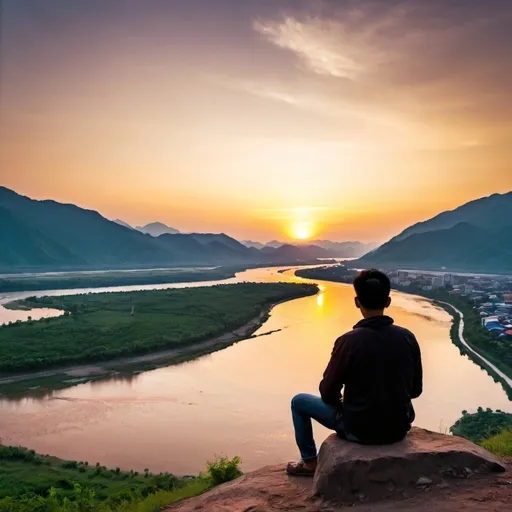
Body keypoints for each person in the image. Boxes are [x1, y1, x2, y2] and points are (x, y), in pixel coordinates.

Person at [286, 269, 423, 476]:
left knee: (299, 402)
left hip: (359, 430)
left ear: (357, 302)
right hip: (397, 429)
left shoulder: (348, 341)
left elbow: (327, 391)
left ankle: (309, 462)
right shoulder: (408, 337)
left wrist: (343, 406)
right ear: (387, 301)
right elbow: (415, 390)